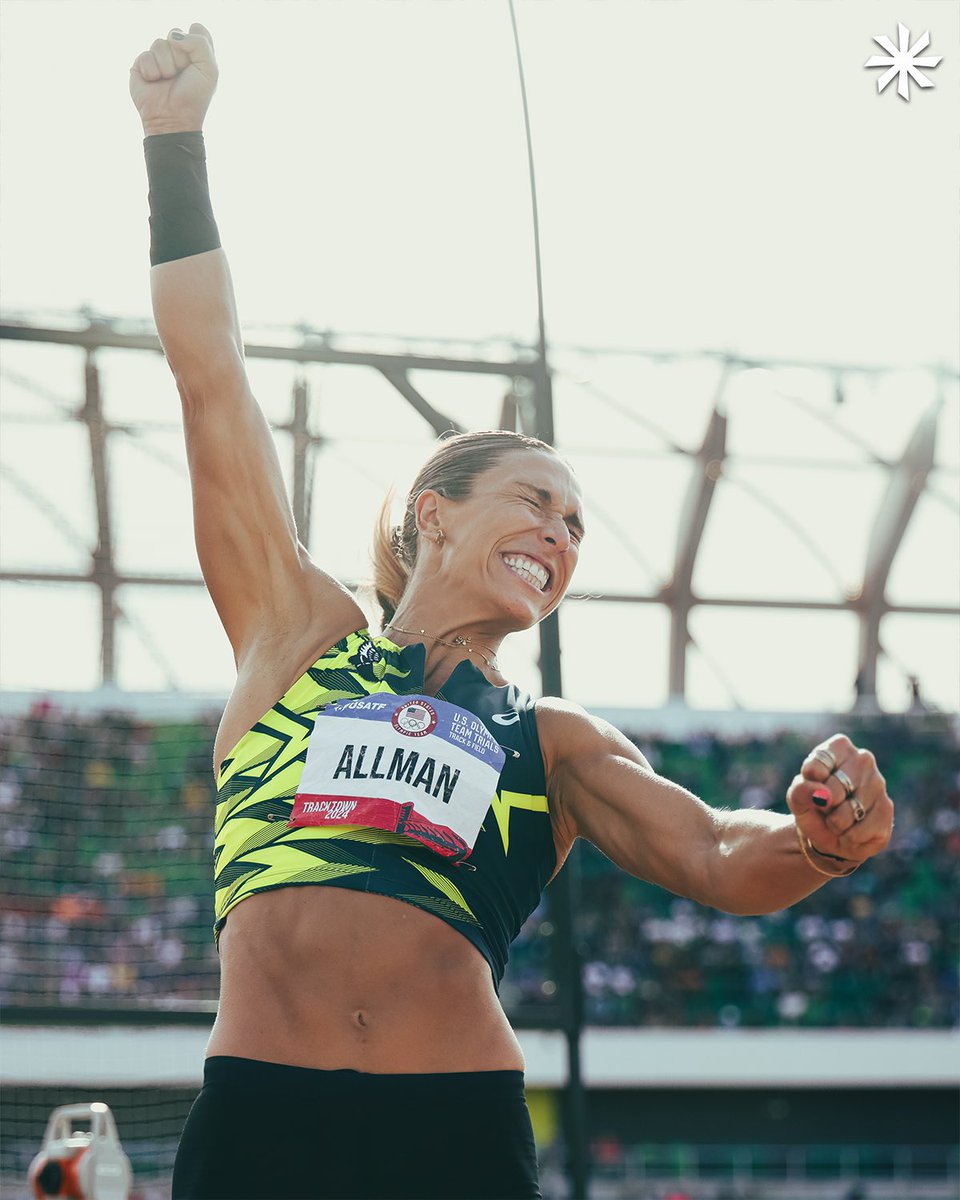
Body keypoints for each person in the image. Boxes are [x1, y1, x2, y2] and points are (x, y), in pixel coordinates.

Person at [130, 24, 895, 1200]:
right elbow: (209, 374)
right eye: (536, 502)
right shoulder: (295, 634)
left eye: (578, 527)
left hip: (457, 1132)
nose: (561, 536)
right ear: (432, 514)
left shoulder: (552, 740)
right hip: (260, 1120)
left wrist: (818, 844)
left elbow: (711, 850)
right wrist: (174, 141)